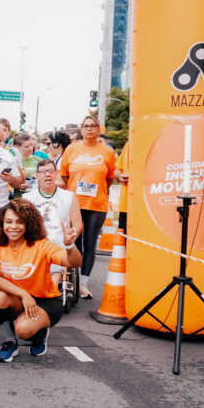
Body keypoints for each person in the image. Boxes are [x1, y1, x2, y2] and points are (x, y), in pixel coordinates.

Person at [0, 198, 81, 362]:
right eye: (8, 222)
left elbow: (74, 262)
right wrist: (23, 294)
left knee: (23, 330)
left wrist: (70, 246)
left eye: (19, 222)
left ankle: (40, 333)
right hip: (19, 297)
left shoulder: (41, 245)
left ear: (29, 223)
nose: (13, 226)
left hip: (46, 300)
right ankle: (10, 342)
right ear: (1, 223)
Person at [57, 115, 116, 298]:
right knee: (74, 241)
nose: (89, 129)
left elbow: (110, 178)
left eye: (93, 126)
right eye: (86, 126)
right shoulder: (72, 149)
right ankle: (69, 279)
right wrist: (72, 190)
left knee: (90, 243)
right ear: (81, 130)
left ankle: (83, 283)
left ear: (99, 129)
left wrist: (98, 191)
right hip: (75, 202)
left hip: (97, 203)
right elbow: (64, 175)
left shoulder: (107, 151)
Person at [22, 159, 83, 285]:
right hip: (36, 239)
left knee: (57, 241)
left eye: (50, 171)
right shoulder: (27, 198)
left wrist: (71, 234)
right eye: (43, 172)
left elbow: (78, 225)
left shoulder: (69, 196)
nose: (47, 174)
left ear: (56, 174)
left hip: (60, 238)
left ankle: (52, 289)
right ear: (37, 176)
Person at [13, 132, 42, 197]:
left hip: (37, 198)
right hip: (20, 199)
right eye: (26, 146)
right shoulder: (13, 162)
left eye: (31, 145)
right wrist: (18, 185)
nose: (30, 148)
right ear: (17, 147)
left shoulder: (39, 160)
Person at [114, 141, 130, 230]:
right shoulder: (129, 145)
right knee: (123, 240)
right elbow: (117, 169)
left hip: (149, 205)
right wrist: (119, 176)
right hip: (126, 205)